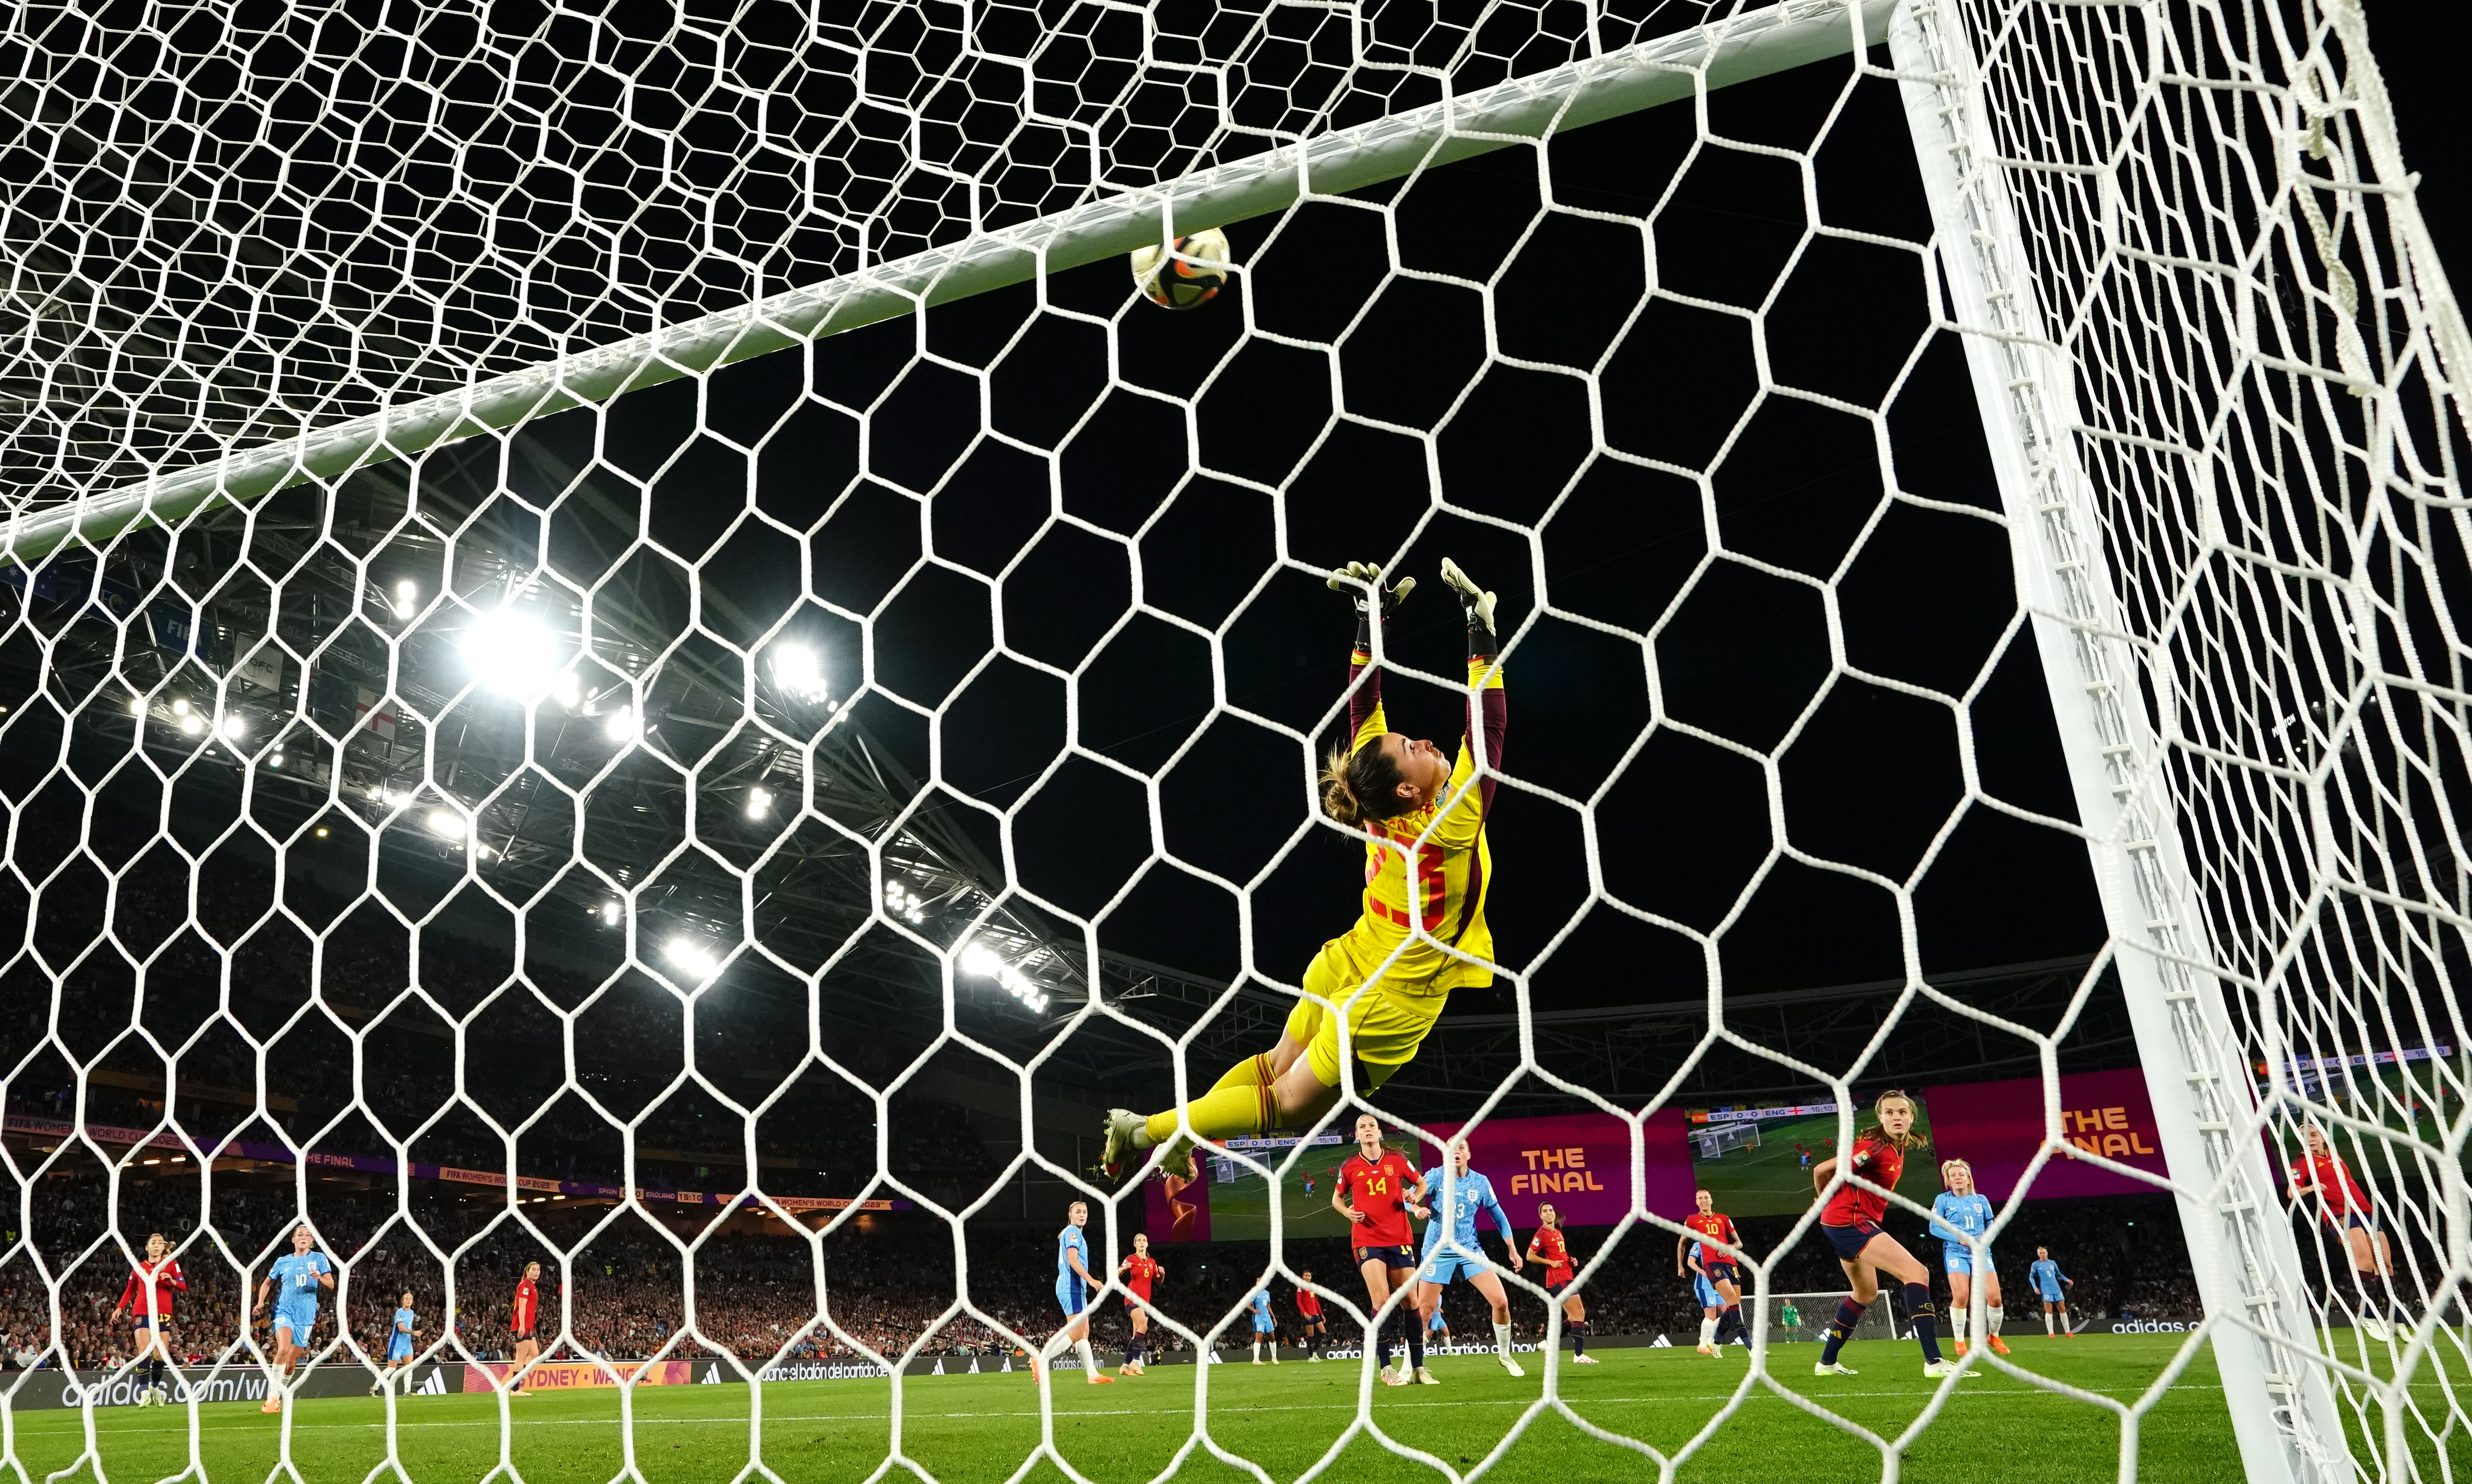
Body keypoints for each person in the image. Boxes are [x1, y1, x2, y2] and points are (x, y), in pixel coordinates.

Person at [1102, 559, 1508, 1175]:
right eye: (1412, 748)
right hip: (1390, 997)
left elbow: (1362, 708)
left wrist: (1370, 620)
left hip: (1347, 960)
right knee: (1285, 1102)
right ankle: (1147, 1130)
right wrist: (1480, 633)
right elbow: (1487, 730)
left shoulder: (1377, 806)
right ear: (1405, 791)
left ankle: (1180, 1137)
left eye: (1410, 740)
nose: (1425, 741)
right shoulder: (1449, 824)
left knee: (1271, 1068)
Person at [1809, 1091, 1967, 1379]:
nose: (1897, 1117)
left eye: (1902, 1112)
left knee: (1865, 1293)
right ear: (1880, 1117)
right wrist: (1824, 1202)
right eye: (1890, 1113)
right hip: (1850, 1221)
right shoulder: (1874, 1147)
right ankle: (1934, 1362)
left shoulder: (1897, 1146)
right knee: (1917, 1274)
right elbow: (1823, 1170)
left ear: (1911, 1117)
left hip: (1844, 1222)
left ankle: (1827, 1363)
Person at [1414, 1136, 1526, 1378]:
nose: (1455, 1152)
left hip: (1469, 1249)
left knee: (1502, 1303)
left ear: (1468, 1154)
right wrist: (1416, 1208)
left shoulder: (1480, 1182)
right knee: (1424, 1311)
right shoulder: (1435, 1176)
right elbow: (1409, 1196)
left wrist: (1512, 1249)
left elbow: (1499, 1216)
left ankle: (1505, 1356)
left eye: (1460, 1148)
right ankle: (1410, 1366)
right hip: (1438, 1250)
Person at [1334, 1111, 1431, 1385]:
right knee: (1382, 1301)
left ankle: (1418, 1369)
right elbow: (1336, 1199)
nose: (1367, 1130)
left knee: (1412, 1302)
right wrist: (1347, 1213)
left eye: (1371, 1126)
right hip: (1367, 1239)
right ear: (1357, 1135)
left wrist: (1415, 1195)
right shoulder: (1350, 1166)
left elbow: (1421, 1183)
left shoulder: (1398, 1161)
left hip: (1399, 1237)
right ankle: (1387, 1368)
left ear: (1379, 1133)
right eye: (1362, 1127)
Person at [2288, 1123, 2408, 1339]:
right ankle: (2369, 1317)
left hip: (2365, 1211)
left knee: (2386, 1264)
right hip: (2338, 1213)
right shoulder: (2302, 1163)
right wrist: (2310, 1188)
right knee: (2363, 1261)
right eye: (2305, 1137)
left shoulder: (2335, 1156)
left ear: (2322, 1136)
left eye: (2314, 1134)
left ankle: (2397, 1319)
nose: (2310, 1139)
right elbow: (2291, 1192)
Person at [1930, 1160, 2011, 1356]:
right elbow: (1934, 1228)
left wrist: (1987, 1237)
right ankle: (1959, 1341)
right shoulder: (1942, 1200)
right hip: (1956, 1253)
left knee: (1995, 1299)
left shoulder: (1981, 1200)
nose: (1958, 1178)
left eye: (1961, 1175)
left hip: (1981, 1253)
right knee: (1961, 1296)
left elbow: (1992, 1225)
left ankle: (1994, 1336)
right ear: (1948, 1181)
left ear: (1968, 1179)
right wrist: (1959, 1239)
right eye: (1953, 1175)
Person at [253, 1224, 335, 1413]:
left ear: (312, 1241)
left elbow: (331, 1284)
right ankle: (272, 1398)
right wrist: (260, 1303)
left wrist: (320, 1278)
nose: (303, 1237)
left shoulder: (319, 1259)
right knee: (282, 1349)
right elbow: (267, 1283)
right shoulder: (283, 1261)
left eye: (307, 1235)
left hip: (305, 1317)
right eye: (300, 1235)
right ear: (293, 1239)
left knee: (291, 1365)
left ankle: (279, 1395)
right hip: (284, 1312)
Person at [1039, 1201, 1115, 1386]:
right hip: (1071, 1287)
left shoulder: (1075, 1234)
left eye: (1085, 1212)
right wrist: (1091, 1280)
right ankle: (1041, 1359)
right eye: (1078, 1212)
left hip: (1075, 1289)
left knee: (1084, 1333)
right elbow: (1073, 1260)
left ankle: (1093, 1375)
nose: (1082, 1215)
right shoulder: (1072, 1232)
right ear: (1070, 1215)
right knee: (1077, 1332)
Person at [111, 1232, 184, 1406]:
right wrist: (120, 1308)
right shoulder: (139, 1267)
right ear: (147, 1247)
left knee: (159, 1354)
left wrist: (171, 1280)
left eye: (160, 1243)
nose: (157, 1245)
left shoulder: (171, 1265)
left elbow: (183, 1285)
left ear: (163, 1247)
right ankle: (144, 1391)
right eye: (153, 1242)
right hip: (142, 1311)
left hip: (163, 1313)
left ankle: (155, 1387)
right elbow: (130, 1289)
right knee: (144, 1351)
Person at [1677, 1189, 1746, 1356]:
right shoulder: (1699, 1243)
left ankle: (1713, 1339)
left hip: (1723, 1276)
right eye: (1700, 1198)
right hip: (1706, 1281)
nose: (1703, 1200)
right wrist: (1694, 1270)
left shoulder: (1721, 1224)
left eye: (1706, 1197)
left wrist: (1729, 1249)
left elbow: (1738, 1243)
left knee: (1731, 1310)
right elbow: (1689, 1259)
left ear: (1711, 1200)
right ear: (1696, 1202)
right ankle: (1703, 1344)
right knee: (1711, 1313)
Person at [1526, 1202, 1594, 1364]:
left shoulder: (1557, 1232)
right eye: (1545, 1211)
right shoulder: (1541, 1234)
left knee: (1572, 1316)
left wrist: (1571, 1261)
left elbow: (1561, 1255)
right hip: (1558, 1279)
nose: (1549, 1213)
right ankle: (1579, 1355)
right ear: (1541, 1216)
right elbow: (1530, 1256)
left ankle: (1549, 1344)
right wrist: (1549, 1262)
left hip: (1567, 1275)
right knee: (1579, 1314)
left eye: (1551, 1210)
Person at [1118, 1234, 1164, 1375]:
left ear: (1147, 1244)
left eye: (1144, 1240)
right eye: (1139, 1240)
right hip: (1133, 1298)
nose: (1142, 1242)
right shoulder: (1131, 1259)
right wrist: (1124, 1268)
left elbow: (1159, 1281)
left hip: (1146, 1302)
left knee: (1136, 1334)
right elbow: (1116, 1274)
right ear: (1135, 1245)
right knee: (1144, 1326)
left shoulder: (1152, 1262)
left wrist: (1162, 1275)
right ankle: (1136, 1361)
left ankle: (1125, 1366)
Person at [507, 1261, 545, 1394]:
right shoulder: (525, 1286)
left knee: (535, 1354)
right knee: (521, 1358)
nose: (536, 1272)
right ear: (527, 1272)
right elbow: (522, 1306)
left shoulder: (531, 1287)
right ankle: (515, 1388)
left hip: (529, 1326)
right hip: (523, 1326)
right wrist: (522, 1325)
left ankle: (515, 1380)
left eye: (538, 1269)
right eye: (533, 1269)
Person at [374, 1291, 419, 1393]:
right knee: (391, 1369)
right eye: (406, 1298)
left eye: (410, 1299)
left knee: (409, 1368)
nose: (408, 1300)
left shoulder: (411, 1313)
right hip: (397, 1344)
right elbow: (401, 1328)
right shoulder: (399, 1313)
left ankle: (407, 1392)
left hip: (407, 1344)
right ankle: (375, 1387)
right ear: (402, 1301)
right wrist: (414, 1333)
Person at [2027, 1248, 2073, 1336]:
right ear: (2038, 1254)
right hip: (2046, 1290)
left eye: (2044, 1253)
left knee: (2063, 1310)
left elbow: (2058, 1274)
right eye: (2041, 1253)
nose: (2043, 1254)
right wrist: (2035, 1288)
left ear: (2047, 1253)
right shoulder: (2036, 1265)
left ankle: (2068, 1332)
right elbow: (2031, 1277)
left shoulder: (2052, 1263)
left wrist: (2067, 1280)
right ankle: (2051, 1333)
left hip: (2056, 1288)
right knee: (2049, 1311)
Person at [1294, 1271, 1329, 1361]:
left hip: (1315, 1314)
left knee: (1323, 1332)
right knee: (1311, 1335)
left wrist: (1321, 1314)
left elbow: (1316, 1302)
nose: (1308, 1277)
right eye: (1306, 1276)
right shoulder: (1301, 1287)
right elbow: (1299, 1301)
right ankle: (1310, 1357)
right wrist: (1304, 1312)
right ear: (1302, 1277)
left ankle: (1315, 1352)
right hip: (1308, 1315)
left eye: (1309, 1276)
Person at [1248, 1286, 1279, 1363]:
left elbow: (1269, 1306)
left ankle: (1274, 1358)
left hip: (1267, 1318)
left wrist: (1273, 1317)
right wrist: (1255, 1311)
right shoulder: (1254, 1292)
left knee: (1272, 1337)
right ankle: (1256, 1359)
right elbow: (1248, 1304)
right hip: (1259, 1318)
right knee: (1259, 1337)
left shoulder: (1267, 1293)